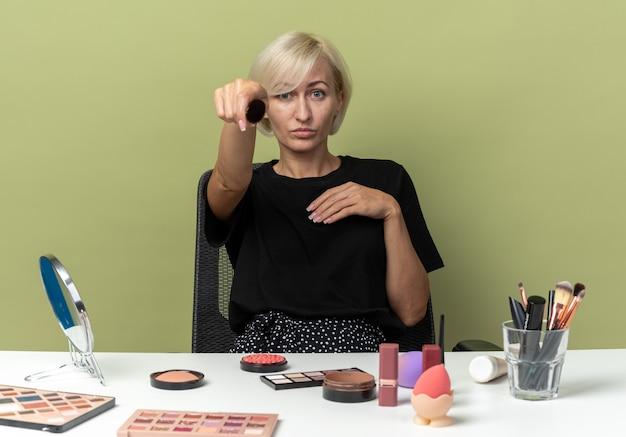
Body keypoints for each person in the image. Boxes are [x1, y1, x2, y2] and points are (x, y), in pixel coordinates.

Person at [205, 31, 444, 353]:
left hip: (361, 357)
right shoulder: (249, 186)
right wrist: (243, 105)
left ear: (338, 100)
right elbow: (229, 182)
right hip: (264, 354)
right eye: (284, 96)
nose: (302, 114)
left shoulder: (386, 179)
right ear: (264, 109)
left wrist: (391, 211)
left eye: (317, 94)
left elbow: (412, 311)